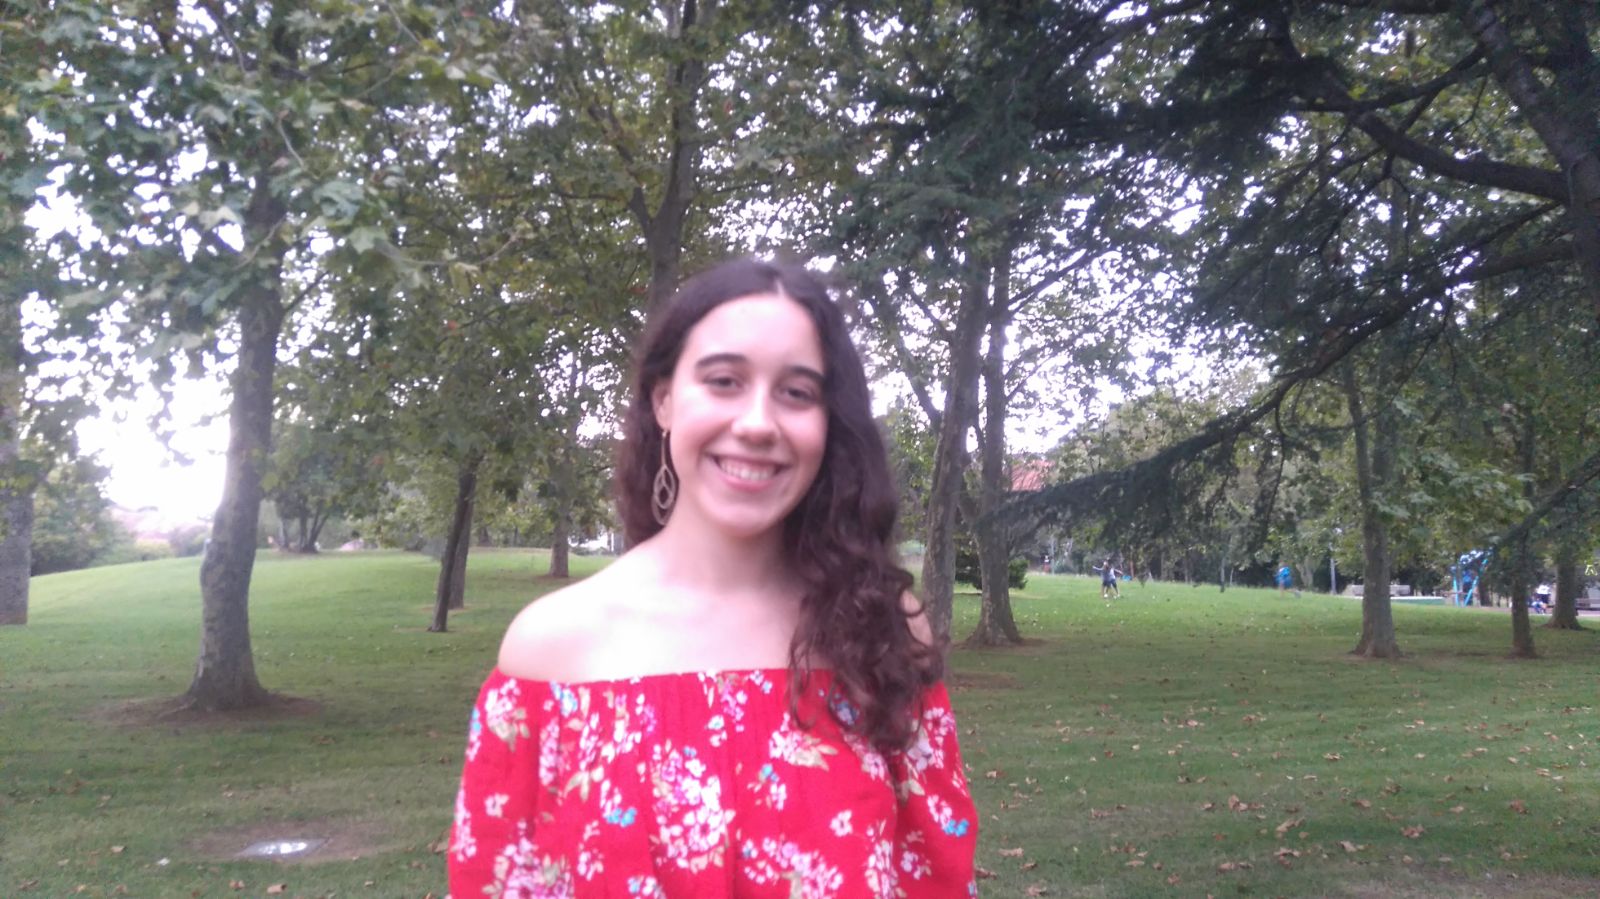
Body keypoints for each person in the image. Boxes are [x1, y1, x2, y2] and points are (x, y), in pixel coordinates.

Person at [448, 260, 977, 898]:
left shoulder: (880, 630)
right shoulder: (549, 651)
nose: (757, 424)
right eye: (724, 381)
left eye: (797, 393)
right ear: (663, 399)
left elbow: (937, 877)